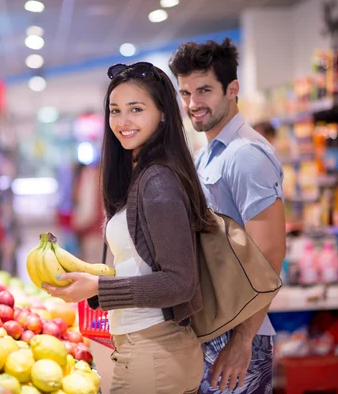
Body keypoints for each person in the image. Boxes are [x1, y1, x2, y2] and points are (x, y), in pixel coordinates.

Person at [43, 62, 216, 394]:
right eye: (115, 110)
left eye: (136, 109)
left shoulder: (158, 182)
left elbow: (180, 282)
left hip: (154, 354)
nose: (122, 121)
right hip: (146, 350)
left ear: (163, 113)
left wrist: (99, 288)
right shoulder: (142, 173)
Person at [169, 38, 286, 394]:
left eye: (204, 90)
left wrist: (242, 341)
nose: (193, 103)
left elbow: (270, 255)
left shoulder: (245, 156)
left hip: (239, 333)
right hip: (215, 327)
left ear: (232, 89)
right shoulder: (208, 154)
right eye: (185, 93)